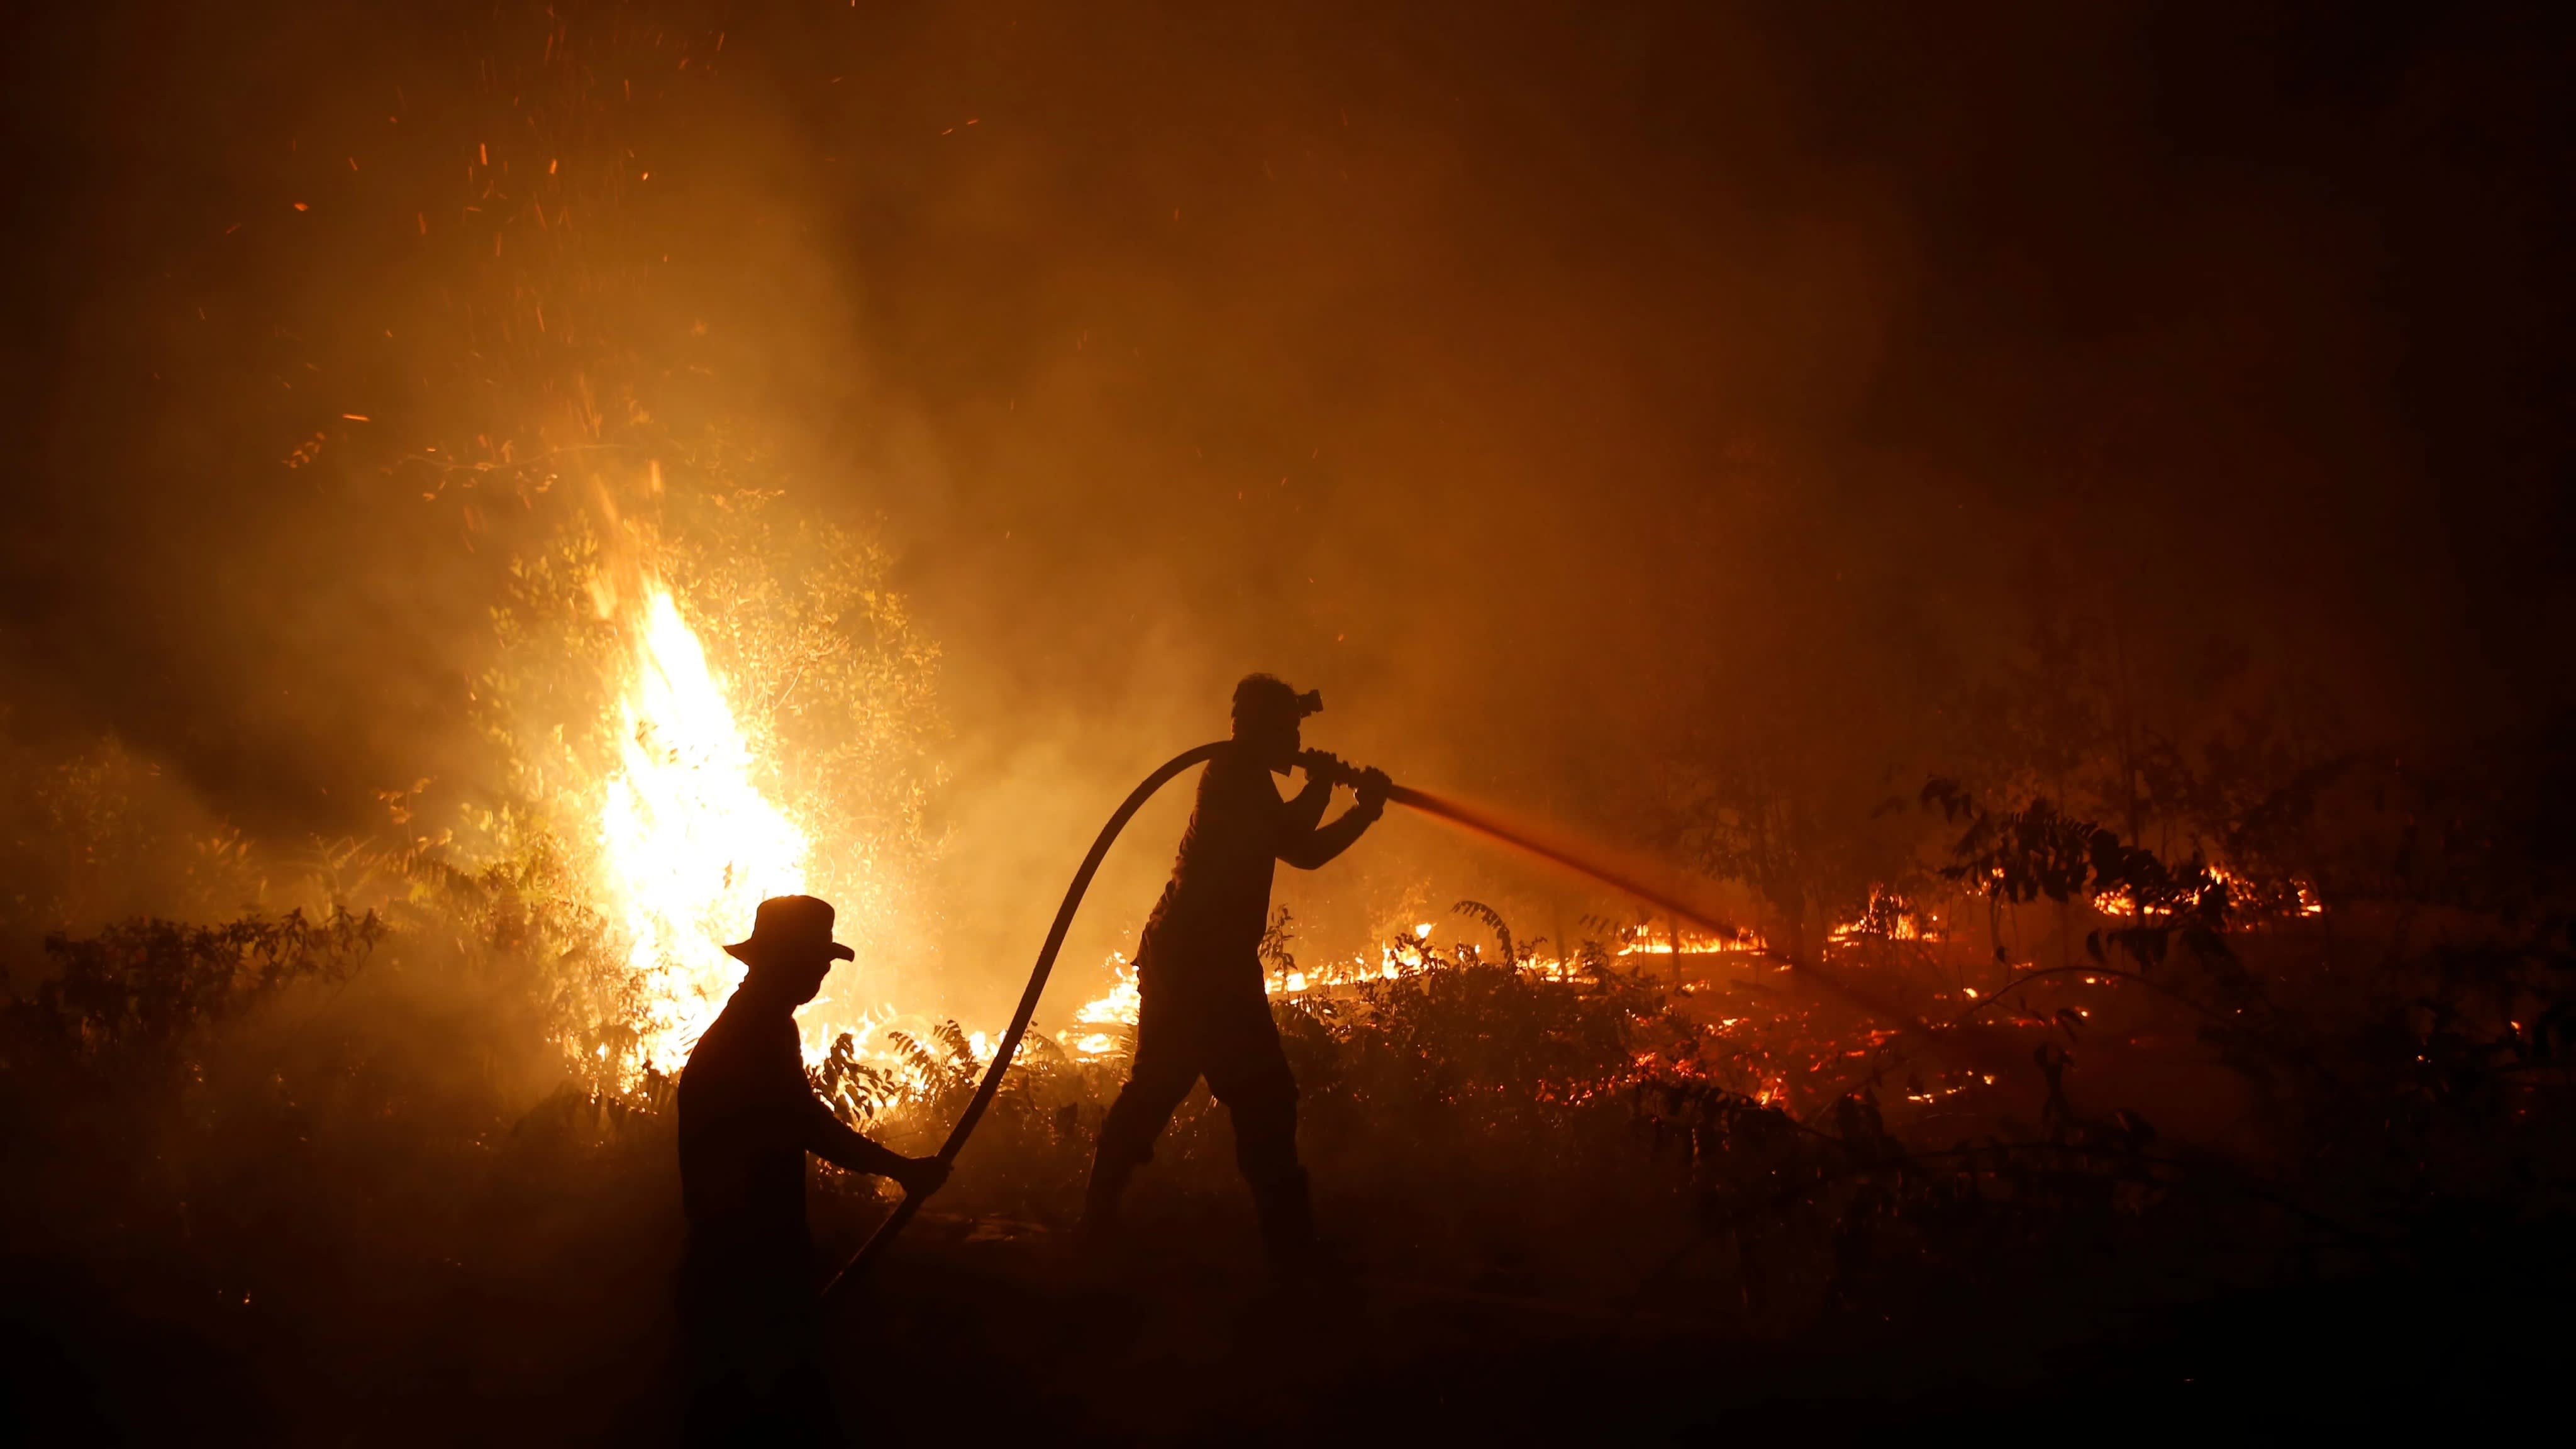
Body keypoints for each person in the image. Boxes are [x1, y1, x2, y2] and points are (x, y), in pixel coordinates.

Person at [1082, 674, 1389, 1275]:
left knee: (1167, 1091)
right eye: (1291, 730)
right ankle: (1291, 1255)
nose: (1296, 741)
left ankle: (1097, 1223)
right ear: (1261, 729)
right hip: (1201, 968)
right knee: (1260, 1097)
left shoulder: (1243, 778)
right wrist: (1339, 795)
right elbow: (1296, 843)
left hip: (1199, 962)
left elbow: (1296, 845)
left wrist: (1354, 805)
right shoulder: (1231, 776)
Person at [675, 894, 948, 1446]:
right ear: (781, 960)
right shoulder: (752, 1036)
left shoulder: (763, 1024)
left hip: (745, 1265)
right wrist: (902, 1170)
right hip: (743, 1274)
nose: (823, 972)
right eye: (815, 960)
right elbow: (807, 1126)